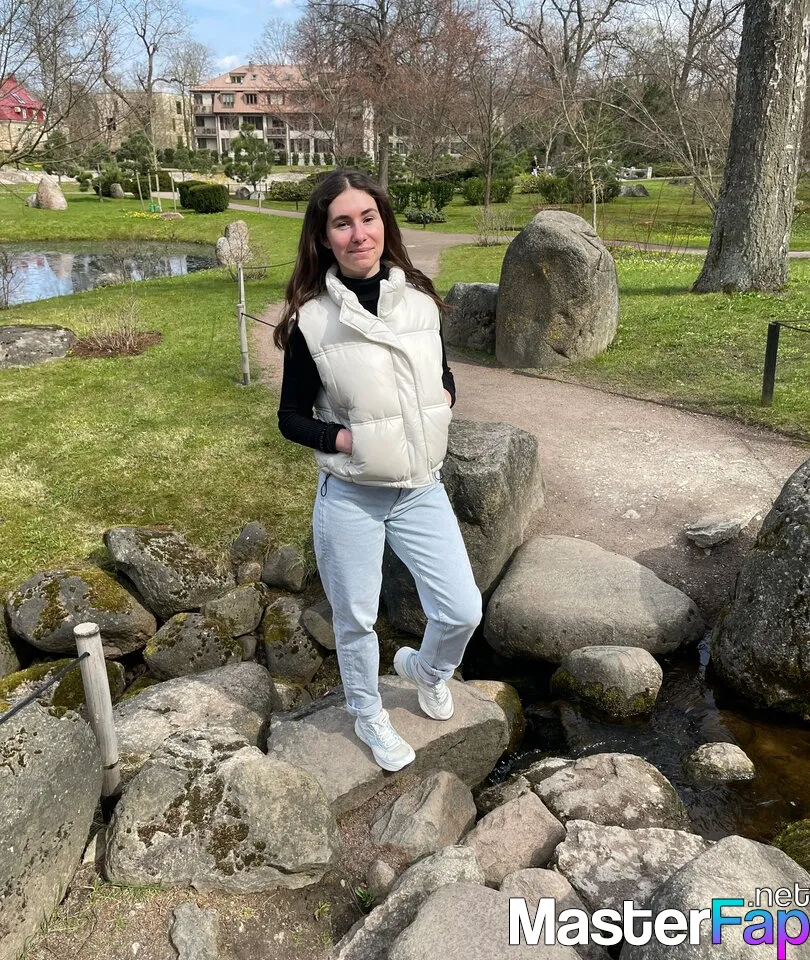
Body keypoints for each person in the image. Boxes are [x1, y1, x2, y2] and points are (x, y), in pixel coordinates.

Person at [275, 169, 482, 772]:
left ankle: (427, 669)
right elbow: (291, 418)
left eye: (367, 218)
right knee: (356, 620)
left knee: (462, 609)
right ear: (324, 237)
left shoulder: (420, 302)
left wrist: (444, 401)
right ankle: (368, 713)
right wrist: (346, 438)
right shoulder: (311, 322)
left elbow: (440, 373)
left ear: (383, 223)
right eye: (342, 223)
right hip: (351, 493)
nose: (358, 234)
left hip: (420, 488)